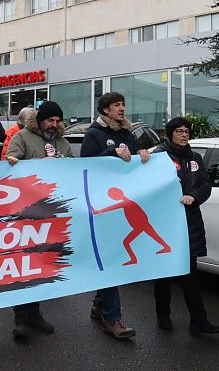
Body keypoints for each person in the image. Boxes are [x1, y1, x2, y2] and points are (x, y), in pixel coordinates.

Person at [81, 92, 150, 340]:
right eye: (116, 105)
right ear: (105, 110)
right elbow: (85, 165)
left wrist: (143, 155)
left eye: (123, 104)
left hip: (126, 204)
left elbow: (133, 161)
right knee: (111, 259)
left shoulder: (127, 132)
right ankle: (112, 318)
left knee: (113, 257)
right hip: (104, 205)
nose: (121, 108)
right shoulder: (94, 134)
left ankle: (100, 305)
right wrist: (111, 153)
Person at [4, 100, 72, 340]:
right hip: (26, 212)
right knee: (24, 264)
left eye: (57, 121)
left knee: (43, 264)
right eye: (50, 120)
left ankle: (34, 313)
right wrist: (38, 165)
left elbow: (74, 170)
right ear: (40, 120)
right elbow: (10, 167)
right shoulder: (22, 137)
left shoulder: (63, 143)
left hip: (51, 213)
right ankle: (20, 317)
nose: (54, 124)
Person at [152, 117, 219, 334]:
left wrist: (194, 195)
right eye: (179, 131)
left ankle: (199, 321)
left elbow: (205, 185)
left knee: (191, 275)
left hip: (189, 222)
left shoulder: (195, 158)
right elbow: (149, 186)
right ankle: (163, 315)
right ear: (170, 134)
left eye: (186, 131)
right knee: (164, 274)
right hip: (165, 223)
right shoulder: (159, 157)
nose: (184, 135)